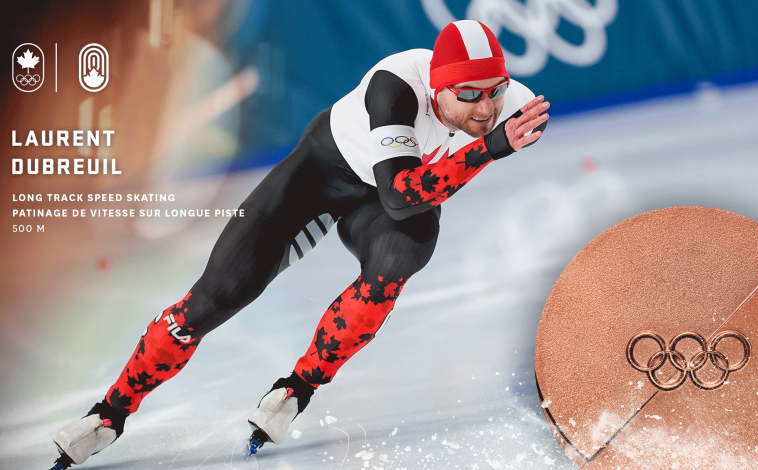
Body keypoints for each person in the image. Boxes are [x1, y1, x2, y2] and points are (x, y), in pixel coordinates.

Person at [49, 20, 549, 469]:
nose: (485, 109)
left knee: (402, 256)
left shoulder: (515, 109)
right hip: (321, 177)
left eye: (495, 91)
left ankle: (297, 389)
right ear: (437, 90)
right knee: (215, 298)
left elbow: (408, 202)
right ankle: (108, 415)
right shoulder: (395, 86)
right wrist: (490, 148)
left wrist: (492, 139)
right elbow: (400, 194)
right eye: (468, 95)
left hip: (387, 203)